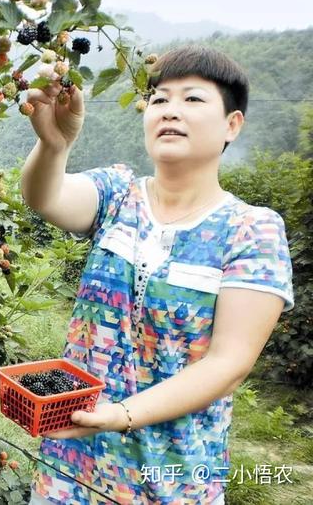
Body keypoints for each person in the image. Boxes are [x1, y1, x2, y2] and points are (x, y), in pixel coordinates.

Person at [21, 46, 294, 504]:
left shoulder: (251, 229)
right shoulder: (117, 193)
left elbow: (229, 363)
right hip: (71, 467)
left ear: (232, 124)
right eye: (160, 99)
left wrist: (121, 413)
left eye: (192, 99)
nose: (170, 111)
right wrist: (54, 145)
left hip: (174, 476)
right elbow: (45, 198)